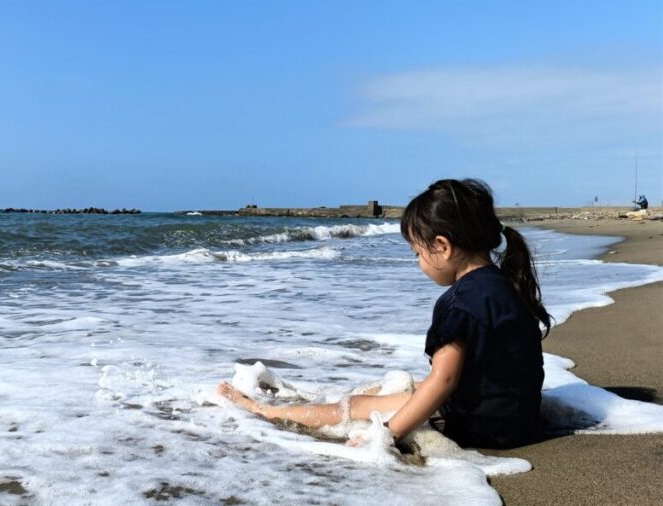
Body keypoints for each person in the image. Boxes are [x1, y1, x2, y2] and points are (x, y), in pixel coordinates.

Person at [217, 178, 551, 449]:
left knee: (354, 407)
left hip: (480, 430)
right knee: (400, 389)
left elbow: (444, 380)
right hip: (521, 423)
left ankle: (260, 409)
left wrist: (388, 433)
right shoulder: (508, 285)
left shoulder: (458, 302)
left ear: (443, 246)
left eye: (417, 252)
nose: (418, 262)